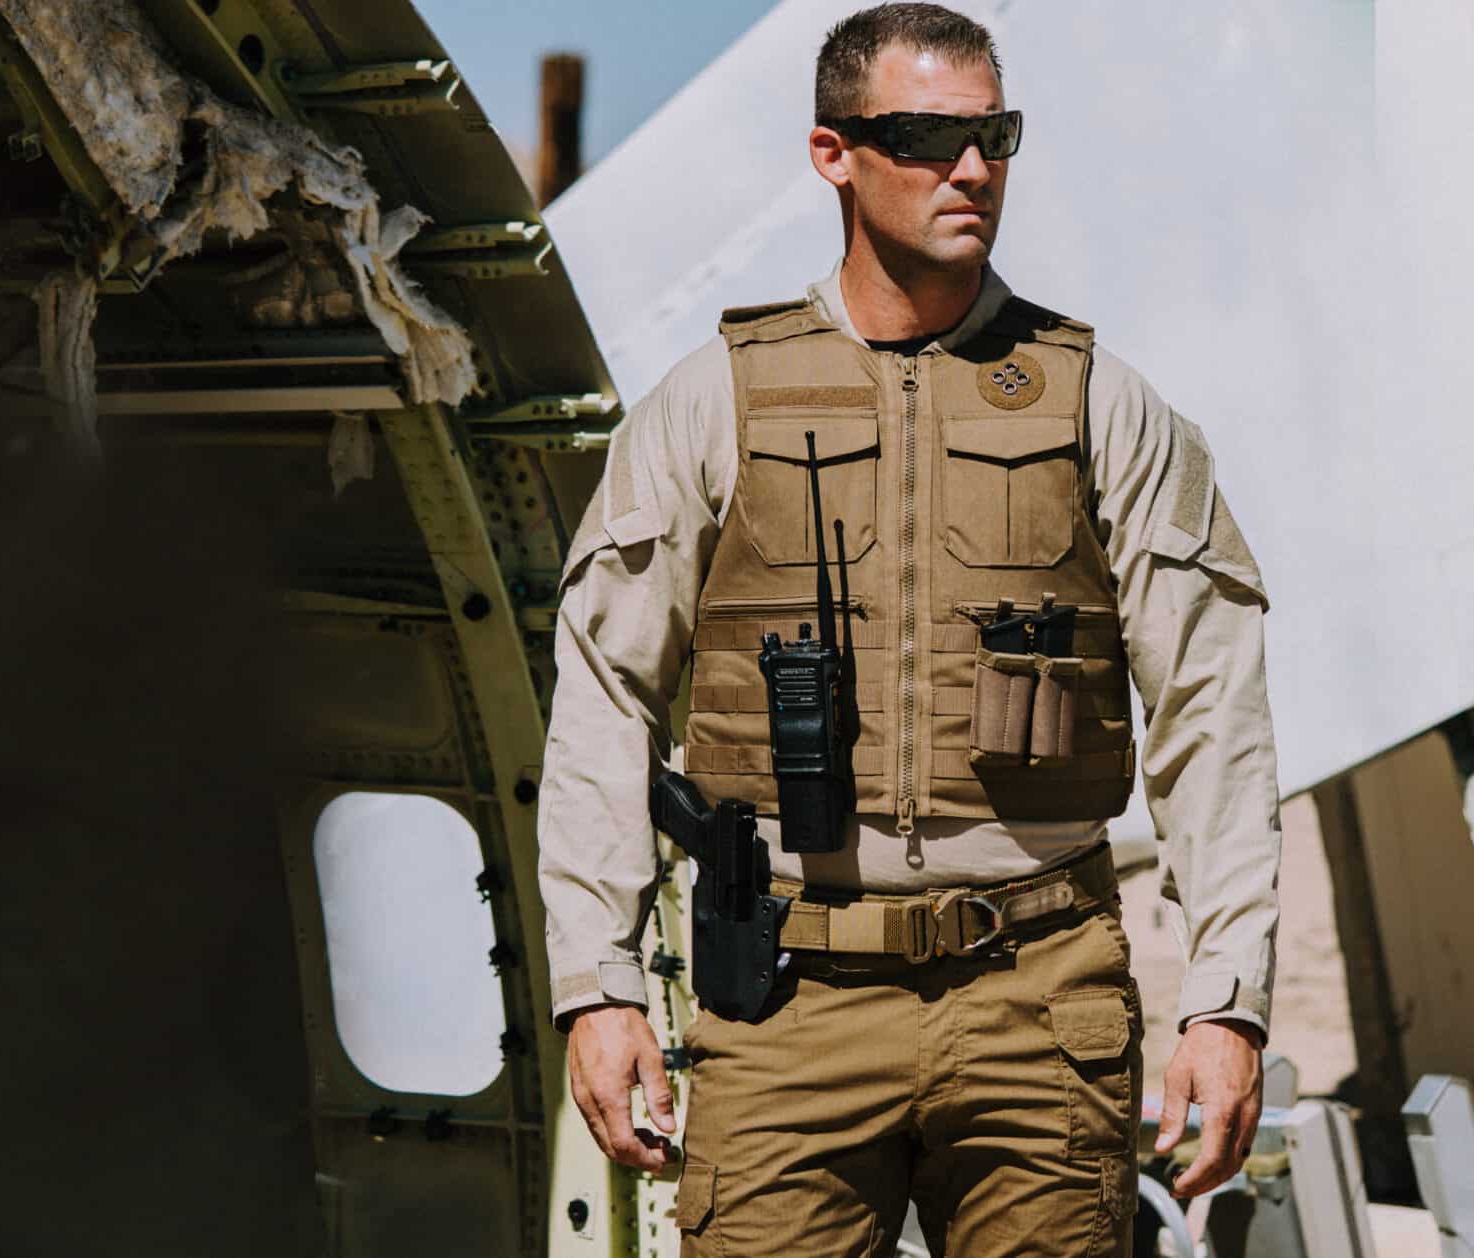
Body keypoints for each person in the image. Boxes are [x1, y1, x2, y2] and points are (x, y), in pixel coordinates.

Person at [538, 5, 1281, 1253]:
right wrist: (596, 986)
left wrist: (1228, 1003)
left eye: (994, 132)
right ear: (833, 152)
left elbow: (1213, 703)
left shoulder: (1102, 402)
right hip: (786, 1006)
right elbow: (602, 691)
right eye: (930, 135)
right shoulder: (711, 401)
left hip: (1041, 994)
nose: (974, 168)